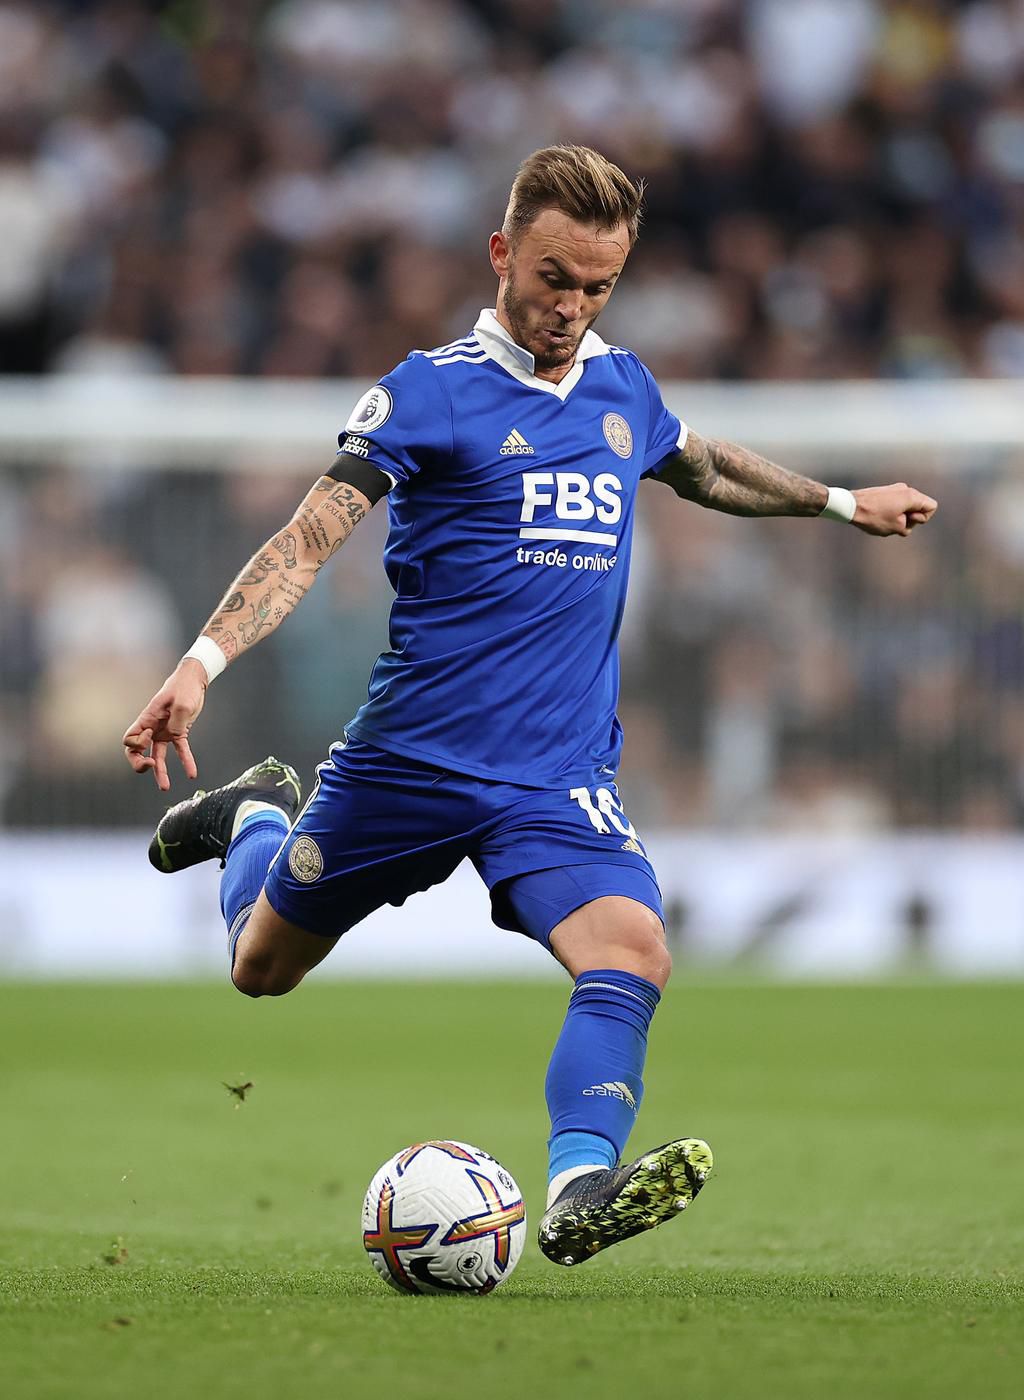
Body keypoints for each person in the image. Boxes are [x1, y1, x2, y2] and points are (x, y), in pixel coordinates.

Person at [123, 145, 938, 1273]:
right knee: (259, 968)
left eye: (599, 285)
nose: (572, 306)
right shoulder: (429, 392)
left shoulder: (622, 389)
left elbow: (704, 467)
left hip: (557, 776)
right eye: (555, 277)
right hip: (411, 762)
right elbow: (308, 538)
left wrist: (844, 503)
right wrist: (201, 662)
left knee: (633, 951)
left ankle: (577, 1187)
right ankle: (256, 816)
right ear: (503, 253)